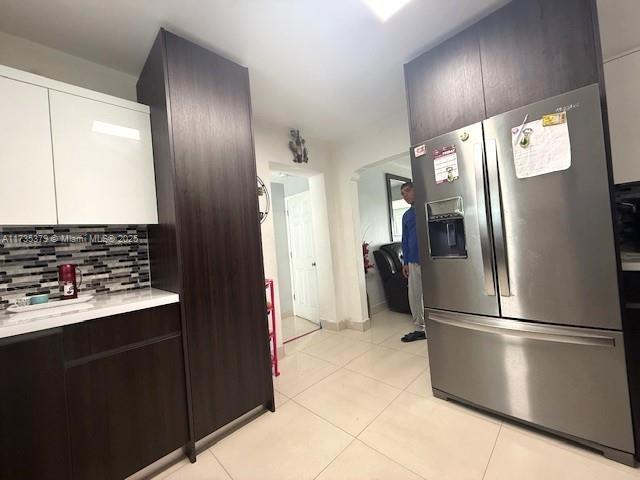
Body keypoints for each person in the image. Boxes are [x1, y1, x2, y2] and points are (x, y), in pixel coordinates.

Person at [399, 182, 426, 342]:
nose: (405, 196)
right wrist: (405, 262)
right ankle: (420, 328)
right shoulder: (406, 216)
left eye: (407, 191)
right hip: (414, 262)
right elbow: (405, 240)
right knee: (415, 295)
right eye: (402, 194)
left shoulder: (426, 208)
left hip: (430, 261)